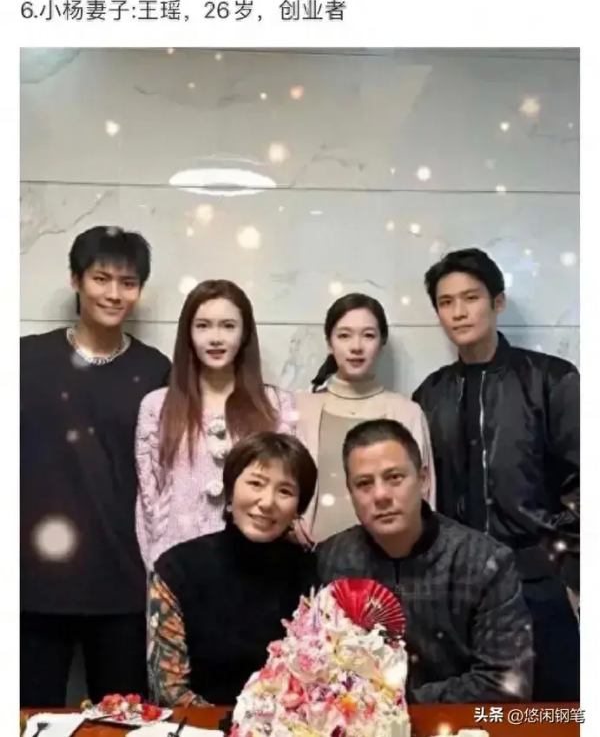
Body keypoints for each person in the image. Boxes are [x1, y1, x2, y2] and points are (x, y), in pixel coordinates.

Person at [413, 247, 580, 701]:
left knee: (554, 714)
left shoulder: (551, 379)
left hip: (539, 582)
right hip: (458, 588)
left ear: (497, 302)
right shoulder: (429, 395)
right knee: (473, 716)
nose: (459, 312)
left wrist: (567, 568)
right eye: (446, 302)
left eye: (471, 298)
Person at [20, 226, 171, 708]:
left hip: (122, 584)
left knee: (124, 721)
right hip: (32, 585)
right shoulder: (25, 359)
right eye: (101, 278)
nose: (113, 293)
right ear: (76, 280)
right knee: (29, 720)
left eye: (128, 283)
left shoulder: (155, 370)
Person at [317, 419, 533, 703]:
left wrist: (397, 703)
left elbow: (506, 683)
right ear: (351, 493)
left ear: (423, 479)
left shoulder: (484, 562)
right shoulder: (330, 559)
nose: (381, 495)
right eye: (364, 484)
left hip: (455, 723)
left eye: (394, 477)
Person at [136, 279, 298, 567]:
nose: (215, 338)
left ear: (245, 334)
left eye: (228, 326)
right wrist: (156, 569)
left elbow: (289, 486)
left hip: (255, 567)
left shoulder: (276, 405)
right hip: (177, 565)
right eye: (203, 326)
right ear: (188, 334)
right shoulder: (157, 406)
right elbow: (148, 500)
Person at [148, 432, 318, 706]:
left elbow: (319, 682)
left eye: (285, 491)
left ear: (299, 507)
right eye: (256, 483)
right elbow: (169, 693)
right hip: (199, 724)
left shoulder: (312, 572)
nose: (267, 502)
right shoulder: (177, 568)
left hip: (291, 723)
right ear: (231, 489)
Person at [296, 293, 435, 542]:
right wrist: (291, 523)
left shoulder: (407, 412)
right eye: (344, 335)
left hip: (389, 554)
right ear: (329, 343)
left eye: (368, 335)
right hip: (310, 552)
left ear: (382, 343)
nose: (356, 346)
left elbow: (425, 497)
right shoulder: (300, 408)